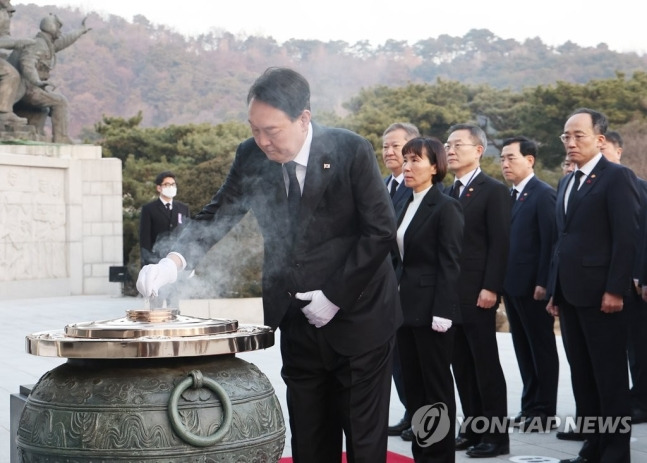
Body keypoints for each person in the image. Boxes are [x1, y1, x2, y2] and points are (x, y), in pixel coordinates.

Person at [136, 67, 402, 463]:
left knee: (364, 445)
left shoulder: (350, 150)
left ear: (304, 118)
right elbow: (217, 214)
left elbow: (380, 231)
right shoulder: (251, 155)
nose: (261, 141)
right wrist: (173, 261)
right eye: (254, 129)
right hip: (297, 319)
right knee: (310, 442)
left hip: (359, 320)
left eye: (271, 131)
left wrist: (335, 297)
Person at [546, 108, 639, 463]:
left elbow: (626, 237)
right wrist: (554, 290)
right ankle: (593, 448)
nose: (570, 142)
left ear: (600, 139)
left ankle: (615, 453)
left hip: (603, 296)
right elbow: (562, 240)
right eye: (565, 137)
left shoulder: (617, 177)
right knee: (584, 376)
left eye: (578, 135)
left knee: (610, 378)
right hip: (570, 295)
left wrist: (616, 289)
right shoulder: (566, 181)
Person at [394, 136, 463, 462]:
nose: (407, 166)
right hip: (403, 311)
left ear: (435, 166)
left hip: (432, 313)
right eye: (405, 159)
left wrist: (443, 311)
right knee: (415, 389)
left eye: (415, 160)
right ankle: (423, 454)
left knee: (436, 390)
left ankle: (441, 456)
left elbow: (450, 264)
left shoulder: (446, 206)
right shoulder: (404, 203)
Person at [445, 123, 510, 458]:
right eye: (448, 144)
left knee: (486, 368)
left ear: (479, 149)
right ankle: (472, 429)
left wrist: (491, 288)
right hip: (452, 297)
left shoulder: (493, 190)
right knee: (462, 367)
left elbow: (500, 244)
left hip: (478, 294)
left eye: (458, 144)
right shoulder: (448, 192)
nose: (450, 150)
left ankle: (496, 437)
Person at [500, 136, 559, 432]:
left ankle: (545, 409)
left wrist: (543, 283)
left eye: (511, 157)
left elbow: (550, 242)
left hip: (533, 288)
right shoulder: (510, 195)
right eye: (502, 159)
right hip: (512, 285)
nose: (505, 164)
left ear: (530, 160)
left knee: (541, 348)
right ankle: (529, 405)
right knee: (522, 348)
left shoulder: (542, 194)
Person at [602, 130, 647, 425]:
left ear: (618, 151)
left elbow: (638, 237)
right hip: (608, 280)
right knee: (627, 343)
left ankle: (641, 400)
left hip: (634, 281)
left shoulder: (637, 185)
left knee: (640, 344)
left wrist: (639, 275)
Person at [382, 121, 420, 441]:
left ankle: (421, 415)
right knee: (396, 357)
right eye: (385, 146)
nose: (389, 151)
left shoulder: (416, 188)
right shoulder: (381, 186)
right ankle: (410, 410)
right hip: (383, 286)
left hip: (408, 284)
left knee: (414, 357)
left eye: (396, 146)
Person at [7, 14, 90, 143]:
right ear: (51, 28)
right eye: (58, 28)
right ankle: (61, 137)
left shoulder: (46, 44)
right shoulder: (37, 44)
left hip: (33, 87)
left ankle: (37, 133)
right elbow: (27, 64)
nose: (60, 31)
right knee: (60, 102)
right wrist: (37, 81)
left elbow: (64, 41)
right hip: (28, 88)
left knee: (44, 108)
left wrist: (80, 31)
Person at [139, 171, 190, 308]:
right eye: (167, 184)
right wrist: (148, 265)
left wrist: (188, 262)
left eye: (173, 184)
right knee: (156, 307)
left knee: (174, 306)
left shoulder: (183, 208)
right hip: (157, 265)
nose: (171, 187)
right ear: (159, 187)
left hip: (176, 266)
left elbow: (187, 236)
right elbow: (145, 240)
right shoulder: (149, 209)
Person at [0, 0, 32, 125]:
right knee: (10, 74)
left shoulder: (4, 14)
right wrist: (14, 43)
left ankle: (5, 111)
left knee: (14, 73)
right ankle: (4, 113)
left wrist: (19, 42)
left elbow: (4, 37)